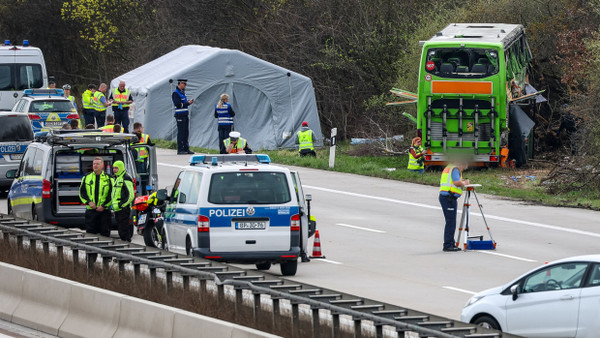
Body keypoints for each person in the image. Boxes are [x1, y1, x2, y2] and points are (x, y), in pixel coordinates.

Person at [439, 162, 470, 252]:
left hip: (448, 197)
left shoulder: (450, 167)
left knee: (451, 221)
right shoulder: (455, 169)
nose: (463, 169)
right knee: (451, 222)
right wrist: (464, 183)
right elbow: (456, 182)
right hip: (448, 198)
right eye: (464, 168)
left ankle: (451, 243)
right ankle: (448, 245)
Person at [79, 157, 112, 237]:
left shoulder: (109, 178)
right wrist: (89, 202)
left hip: (104, 211)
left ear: (102, 165)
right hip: (91, 211)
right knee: (90, 235)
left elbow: (112, 194)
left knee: (105, 235)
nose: (95, 165)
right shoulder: (86, 177)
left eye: (97, 164)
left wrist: (104, 206)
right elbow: (82, 192)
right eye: (94, 164)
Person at [111, 160, 135, 242]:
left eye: (116, 168)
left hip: (123, 209)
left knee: (124, 231)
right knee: (121, 231)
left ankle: (127, 247)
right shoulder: (116, 178)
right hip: (117, 209)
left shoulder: (126, 178)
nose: (114, 170)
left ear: (121, 168)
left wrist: (122, 205)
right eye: (113, 168)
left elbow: (130, 195)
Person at [172, 79, 194, 154]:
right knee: (181, 132)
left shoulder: (182, 93)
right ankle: (180, 149)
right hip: (180, 115)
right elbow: (178, 104)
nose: (185, 85)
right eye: (184, 84)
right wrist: (187, 103)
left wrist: (187, 103)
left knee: (186, 132)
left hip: (185, 114)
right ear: (180, 84)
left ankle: (186, 148)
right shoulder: (176, 93)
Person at [132, 122, 154, 194]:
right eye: (141, 128)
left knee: (134, 177)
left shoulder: (130, 136)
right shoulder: (145, 137)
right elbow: (150, 147)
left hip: (132, 161)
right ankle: (143, 193)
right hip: (142, 161)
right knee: (143, 179)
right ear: (139, 128)